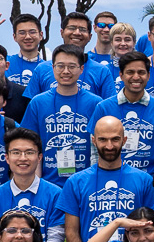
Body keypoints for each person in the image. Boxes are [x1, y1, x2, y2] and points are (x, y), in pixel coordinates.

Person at [54, 117, 154, 242]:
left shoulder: (143, 180)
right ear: (93, 140)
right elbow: (71, 231)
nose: (109, 145)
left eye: (115, 139)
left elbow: (152, 227)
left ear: (124, 140)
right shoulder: (76, 182)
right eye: (103, 139)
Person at [19, 46, 101, 185]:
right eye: (60, 66)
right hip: (48, 183)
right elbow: (30, 146)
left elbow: (100, 147)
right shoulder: (38, 103)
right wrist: (37, 184)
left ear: (81, 69)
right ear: (53, 68)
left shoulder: (96, 104)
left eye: (72, 66)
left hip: (86, 183)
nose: (66, 71)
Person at [0, 129, 63, 242]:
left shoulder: (55, 194)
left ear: (39, 157)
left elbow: (56, 238)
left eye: (29, 152)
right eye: (16, 152)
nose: (23, 158)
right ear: (7, 158)